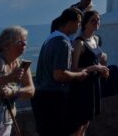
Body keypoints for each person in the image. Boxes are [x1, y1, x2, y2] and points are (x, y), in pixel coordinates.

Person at [32, 8, 91, 136]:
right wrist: (79, 74)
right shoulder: (63, 43)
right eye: (78, 22)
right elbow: (59, 75)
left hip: (41, 94)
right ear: (71, 23)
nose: (79, 26)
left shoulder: (49, 39)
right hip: (54, 97)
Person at [68, 10, 109, 136]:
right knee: (79, 125)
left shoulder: (95, 39)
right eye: (93, 21)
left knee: (86, 124)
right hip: (82, 87)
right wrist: (95, 68)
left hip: (93, 85)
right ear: (85, 24)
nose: (97, 23)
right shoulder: (79, 43)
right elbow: (73, 69)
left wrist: (102, 69)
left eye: (98, 20)